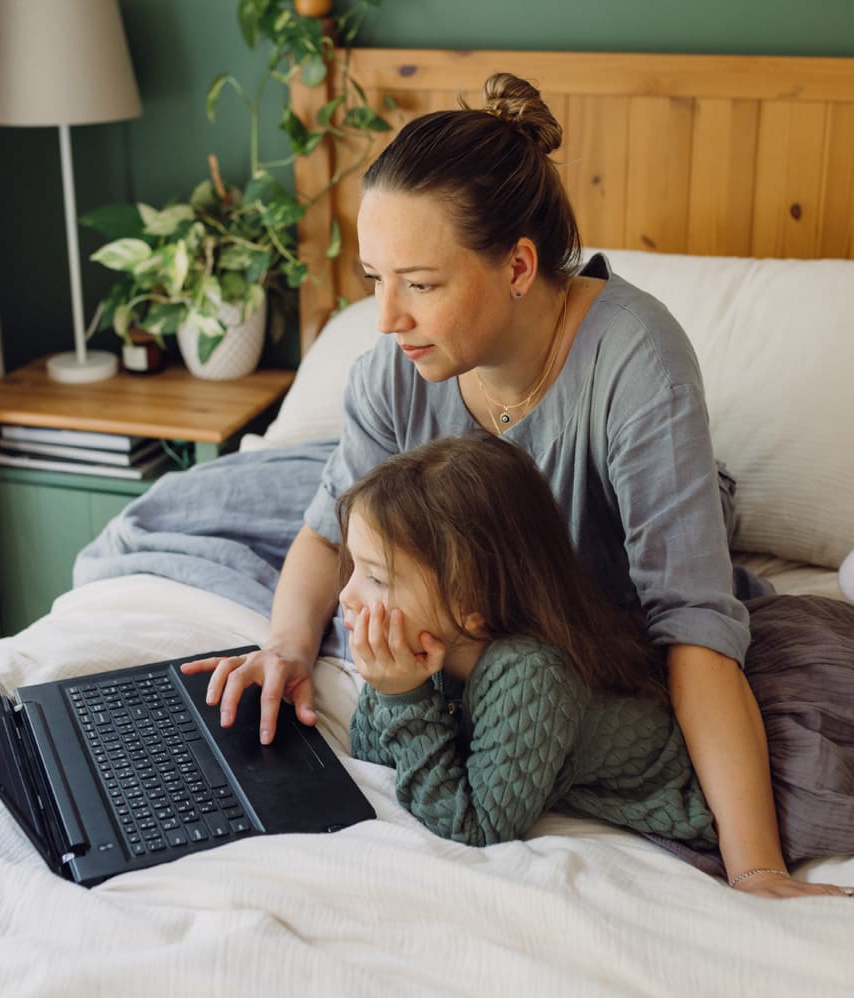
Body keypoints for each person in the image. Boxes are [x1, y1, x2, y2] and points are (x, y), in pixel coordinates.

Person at [184, 70, 795, 889]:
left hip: (591, 605)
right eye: (374, 279)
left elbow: (692, 623)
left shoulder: (638, 366)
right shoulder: (391, 371)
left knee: (839, 656)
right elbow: (330, 529)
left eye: (422, 285)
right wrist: (287, 648)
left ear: (517, 266)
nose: (387, 317)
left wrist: (756, 867)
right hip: (473, 599)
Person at [340, 426, 854, 898]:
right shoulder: (457, 650)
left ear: (474, 604)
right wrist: (396, 689)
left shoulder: (527, 675)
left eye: (373, 578)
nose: (349, 596)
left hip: (795, 737)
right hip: (771, 661)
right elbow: (383, 746)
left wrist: (403, 700)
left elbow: (478, 825)